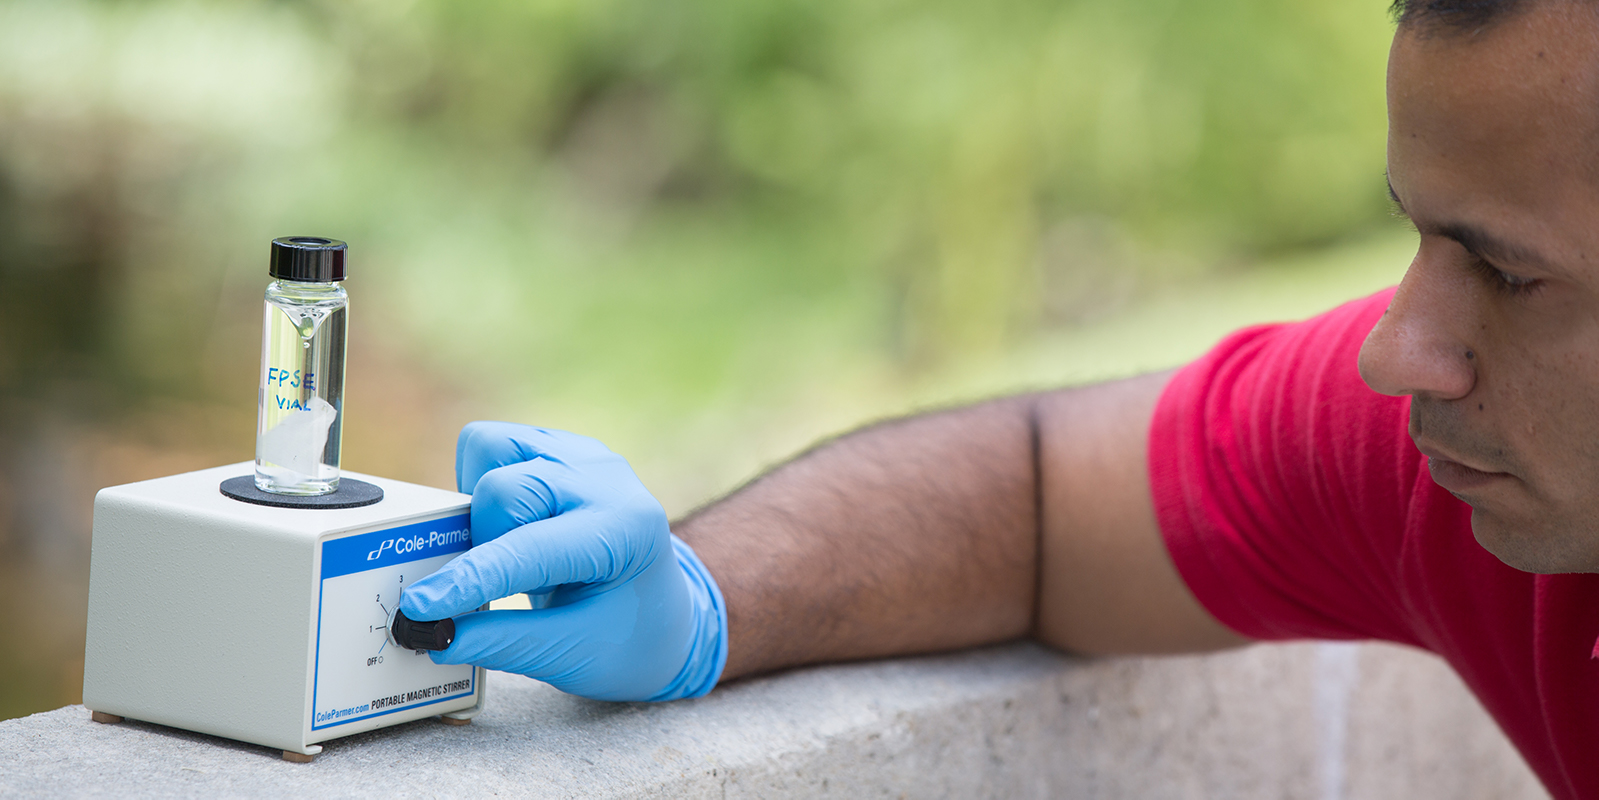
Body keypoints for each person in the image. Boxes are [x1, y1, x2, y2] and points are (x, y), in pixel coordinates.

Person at [401, 1, 1599, 796]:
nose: (1397, 353)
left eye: (1507, 272)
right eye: (1418, 235)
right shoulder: (1443, 460)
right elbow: (1040, 494)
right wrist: (703, 599)